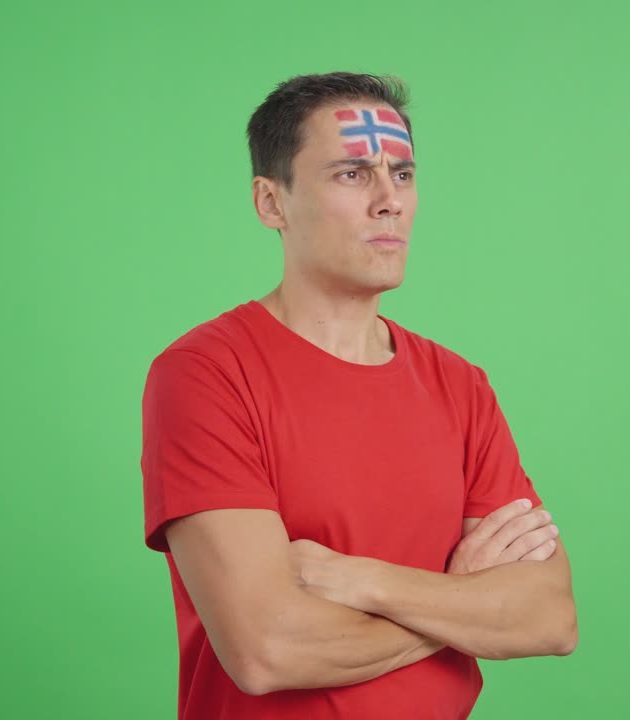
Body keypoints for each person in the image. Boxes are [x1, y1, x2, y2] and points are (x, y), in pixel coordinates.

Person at [139, 71, 577, 719]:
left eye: (401, 174)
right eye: (351, 174)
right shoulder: (206, 374)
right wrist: (463, 601)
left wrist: (366, 582)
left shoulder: (459, 385)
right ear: (271, 202)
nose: (389, 200)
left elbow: (548, 616)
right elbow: (268, 651)